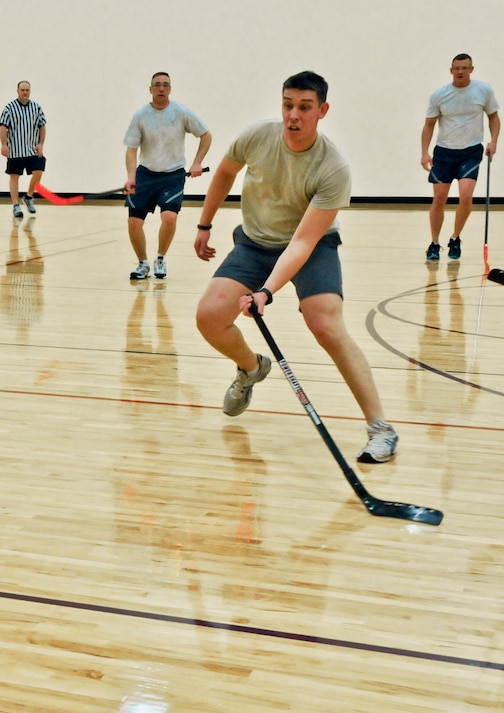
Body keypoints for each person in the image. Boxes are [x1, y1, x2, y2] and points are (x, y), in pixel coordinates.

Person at [193, 70, 398, 463]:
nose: (293, 116)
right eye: (288, 105)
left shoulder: (333, 167)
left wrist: (266, 291)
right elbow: (223, 172)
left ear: (322, 111)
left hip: (311, 245)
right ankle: (251, 368)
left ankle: (381, 428)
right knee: (209, 316)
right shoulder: (257, 135)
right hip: (255, 241)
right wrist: (204, 224)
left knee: (325, 323)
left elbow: (303, 241)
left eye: (304, 108)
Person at [122, 71, 211, 281]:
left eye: (165, 85)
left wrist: (197, 162)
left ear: (170, 89)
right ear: (150, 89)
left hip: (173, 175)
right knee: (134, 222)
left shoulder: (181, 112)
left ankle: (160, 259)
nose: (161, 88)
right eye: (157, 85)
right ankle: (143, 264)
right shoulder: (140, 116)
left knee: (169, 217)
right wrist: (131, 176)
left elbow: (206, 135)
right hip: (145, 174)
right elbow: (131, 149)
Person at [421, 54, 499, 261]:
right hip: (445, 152)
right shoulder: (439, 95)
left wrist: (493, 141)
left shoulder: (483, 90)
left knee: (465, 195)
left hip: (471, 151)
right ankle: (435, 243)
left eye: (465, 68)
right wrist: (424, 153)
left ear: (472, 69)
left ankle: (455, 238)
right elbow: (429, 125)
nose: (460, 72)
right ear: (451, 70)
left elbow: (493, 117)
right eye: (457, 68)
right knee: (439, 198)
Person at [0, 81, 47, 219]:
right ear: (17, 91)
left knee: (39, 171)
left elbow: (42, 126)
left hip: (32, 149)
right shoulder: (9, 107)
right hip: (15, 149)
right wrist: (4, 144)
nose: (25, 92)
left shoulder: (36, 107)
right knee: (14, 176)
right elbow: (3, 127)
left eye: (27, 90)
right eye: (22, 90)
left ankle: (29, 196)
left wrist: (41, 144)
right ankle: (15, 205)